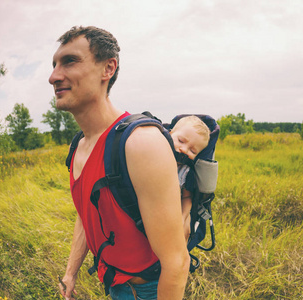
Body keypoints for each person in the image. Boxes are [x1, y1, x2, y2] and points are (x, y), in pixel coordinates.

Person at [49, 26, 189, 300]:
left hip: (146, 291)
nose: (54, 76)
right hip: (113, 283)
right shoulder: (78, 145)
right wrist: (70, 272)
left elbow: (176, 261)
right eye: (54, 64)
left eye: (70, 61)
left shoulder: (140, 143)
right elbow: (89, 209)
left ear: (107, 68)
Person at [169, 116, 210, 241]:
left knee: (186, 227)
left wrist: (183, 217)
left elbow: (187, 197)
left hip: (172, 213)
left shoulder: (186, 172)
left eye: (192, 151)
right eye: (181, 141)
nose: (184, 150)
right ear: (170, 134)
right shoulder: (152, 154)